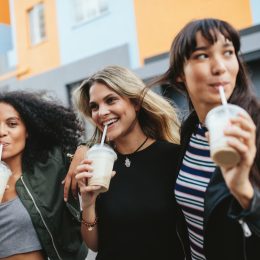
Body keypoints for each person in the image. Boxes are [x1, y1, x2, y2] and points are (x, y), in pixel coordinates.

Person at [153, 18, 260, 260]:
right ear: (180, 73)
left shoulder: (253, 130)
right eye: (203, 55)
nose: (220, 67)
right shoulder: (189, 133)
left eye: (228, 52)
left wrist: (244, 192)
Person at [70, 65, 184, 259]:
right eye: (94, 106)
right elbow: (95, 246)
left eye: (111, 100)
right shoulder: (96, 165)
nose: (102, 112)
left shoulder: (173, 157)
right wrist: (88, 205)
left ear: (136, 103)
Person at [0, 91, 88, 259]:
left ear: (27, 130)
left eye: (12, 124)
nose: (1, 132)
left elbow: (107, 143)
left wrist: (85, 147)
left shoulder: (51, 166)